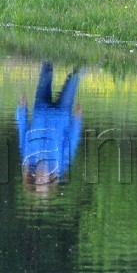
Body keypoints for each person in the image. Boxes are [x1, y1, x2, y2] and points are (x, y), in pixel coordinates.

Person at [17, 62, 85, 190]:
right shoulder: (61, 165)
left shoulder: (28, 159)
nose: (42, 178)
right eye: (45, 181)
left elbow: (23, 131)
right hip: (62, 113)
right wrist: (77, 121)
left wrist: (21, 109)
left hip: (40, 109)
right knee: (74, 78)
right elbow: (72, 142)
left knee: (46, 70)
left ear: (34, 178)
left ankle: (51, 53)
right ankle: (87, 61)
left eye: (39, 181)